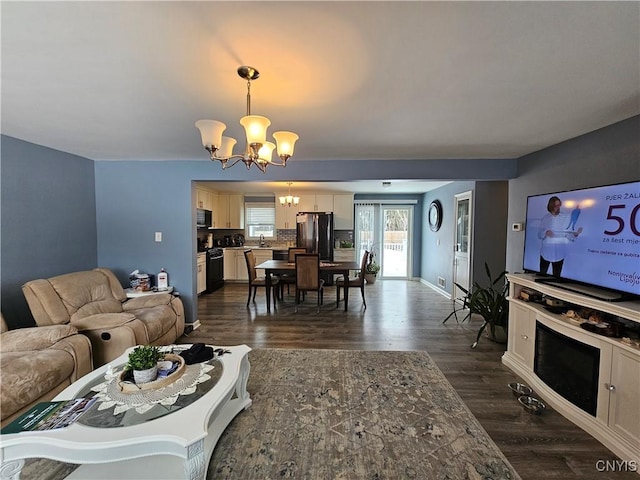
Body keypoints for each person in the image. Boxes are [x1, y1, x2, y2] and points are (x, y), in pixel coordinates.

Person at [538, 196, 583, 277]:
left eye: (559, 205)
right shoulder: (545, 218)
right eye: (556, 206)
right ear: (551, 206)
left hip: (559, 253)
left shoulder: (565, 217)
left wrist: (575, 234)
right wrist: (545, 232)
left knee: (557, 280)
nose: (558, 207)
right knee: (541, 277)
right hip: (545, 252)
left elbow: (568, 233)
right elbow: (539, 234)